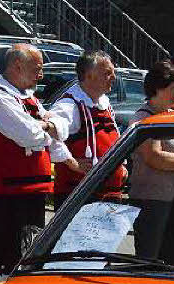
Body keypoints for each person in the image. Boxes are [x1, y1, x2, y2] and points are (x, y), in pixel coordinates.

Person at [0, 43, 80, 282]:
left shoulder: (28, 98)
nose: (41, 75)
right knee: (6, 255)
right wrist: (45, 127)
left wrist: (47, 129)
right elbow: (28, 134)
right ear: (17, 66)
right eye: (37, 68)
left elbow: (61, 130)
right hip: (10, 192)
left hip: (33, 191)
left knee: (29, 254)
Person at [128, 62, 174, 259]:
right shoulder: (144, 119)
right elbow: (154, 157)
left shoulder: (172, 117)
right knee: (151, 259)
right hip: (152, 202)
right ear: (157, 88)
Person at [50, 50, 126, 209]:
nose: (113, 78)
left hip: (108, 197)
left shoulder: (103, 103)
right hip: (80, 198)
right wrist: (72, 162)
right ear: (90, 75)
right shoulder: (70, 104)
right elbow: (49, 133)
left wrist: (121, 166)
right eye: (107, 73)